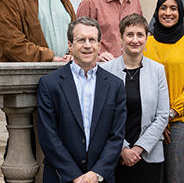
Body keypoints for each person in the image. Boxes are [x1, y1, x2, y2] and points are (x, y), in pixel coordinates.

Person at [37, 17, 127, 183]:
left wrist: (95, 174)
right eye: (81, 40)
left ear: (99, 45)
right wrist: (75, 177)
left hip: (101, 178)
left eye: (92, 40)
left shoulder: (115, 85)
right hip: (61, 177)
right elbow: (48, 136)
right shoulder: (50, 84)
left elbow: (116, 136)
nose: (87, 45)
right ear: (70, 45)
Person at [101, 14, 169, 182]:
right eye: (129, 34)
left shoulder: (158, 70)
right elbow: (103, 115)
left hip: (148, 154)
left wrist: (138, 149)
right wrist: (123, 149)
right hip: (115, 155)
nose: (135, 40)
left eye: (140, 35)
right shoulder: (106, 70)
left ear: (147, 38)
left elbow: (161, 116)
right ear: (121, 38)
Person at [143, 0, 184, 183]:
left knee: (175, 173)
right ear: (156, 12)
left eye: (173, 8)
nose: (168, 13)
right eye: (163, 8)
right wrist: (157, 120)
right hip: (147, 120)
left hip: (179, 118)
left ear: (180, 13)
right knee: (152, 175)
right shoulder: (145, 43)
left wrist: (168, 115)